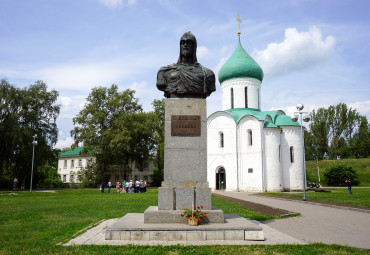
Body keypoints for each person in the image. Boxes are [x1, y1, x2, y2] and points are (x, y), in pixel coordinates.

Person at [156, 31, 215, 99]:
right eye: (183, 43)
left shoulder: (207, 74)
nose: (185, 45)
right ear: (180, 46)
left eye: (188, 42)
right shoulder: (165, 71)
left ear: (194, 46)